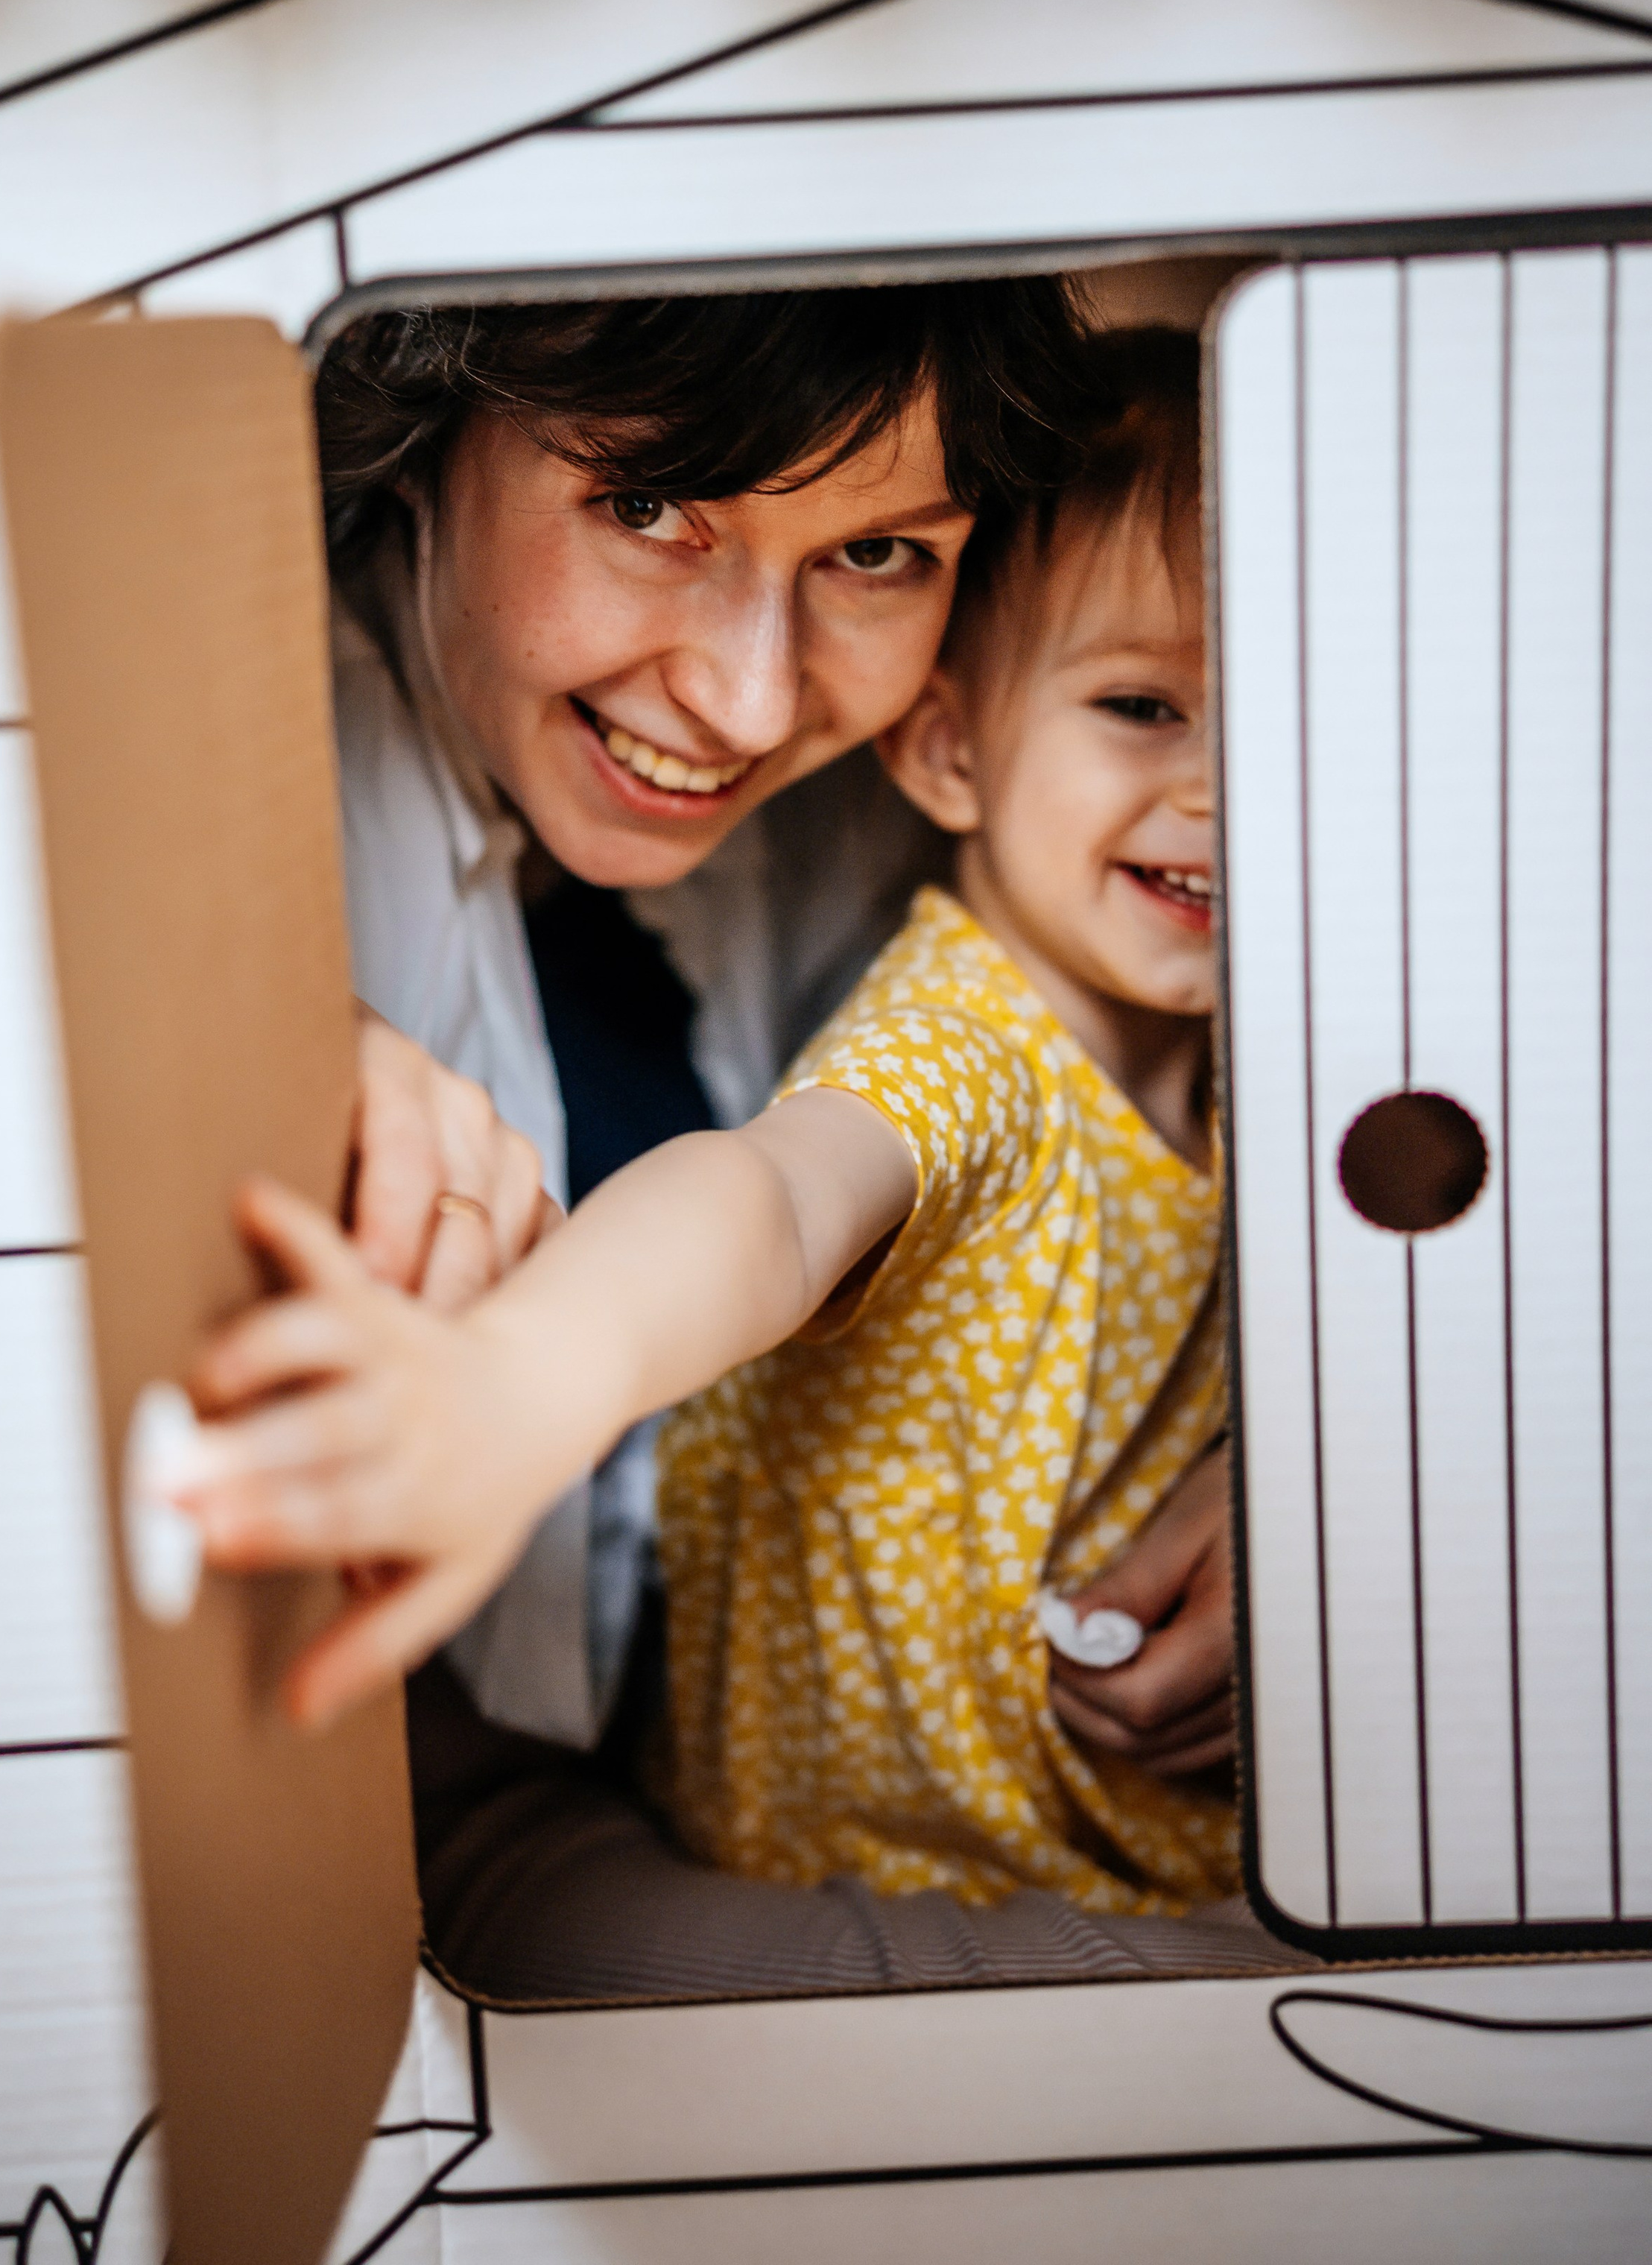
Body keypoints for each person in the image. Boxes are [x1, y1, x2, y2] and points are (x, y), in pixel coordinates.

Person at [177, 326, 1299, 1991]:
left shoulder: (1107, 899)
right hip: (604, 1825)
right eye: (650, 505)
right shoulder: (974, 1021)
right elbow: (768, 1200)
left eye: (874, 553)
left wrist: (1313, 1476)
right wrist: (512, 1386)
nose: (753, 697)